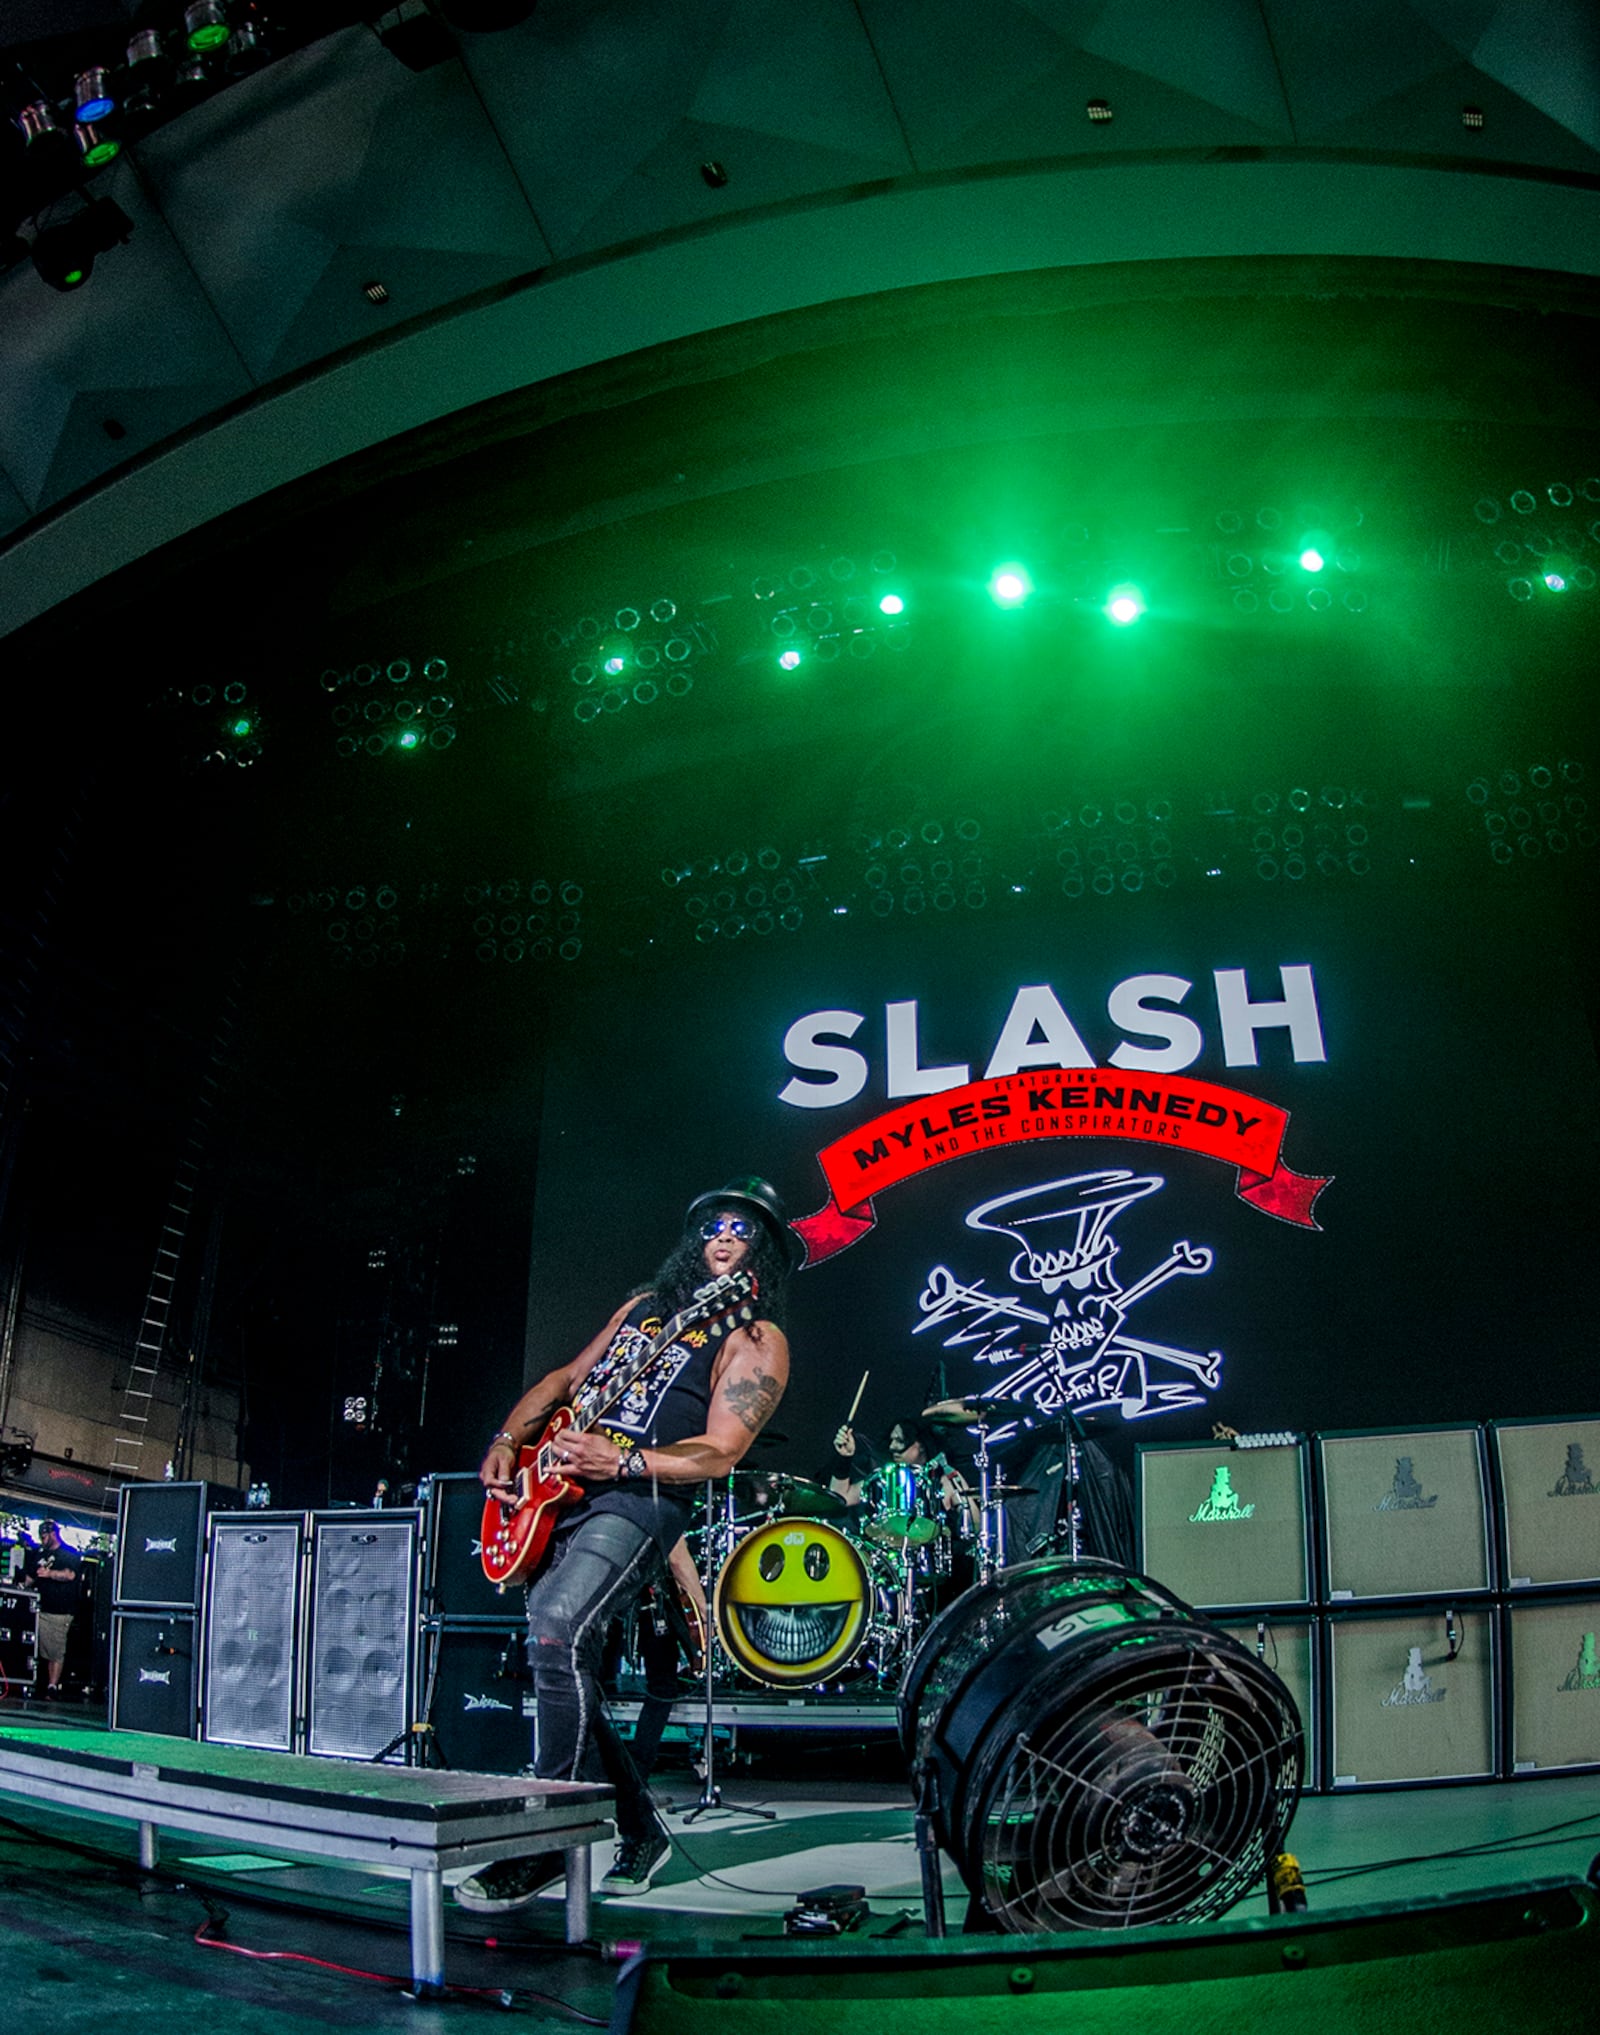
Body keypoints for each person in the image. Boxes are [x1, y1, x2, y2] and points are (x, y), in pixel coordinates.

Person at [458, 1175, 794, 1912]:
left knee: (555, 1633)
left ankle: (548, 1838)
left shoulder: (755, 1339)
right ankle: (642, 1829)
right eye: (713, 1224)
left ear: (762, 1248)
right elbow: (566, 1378)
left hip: (640, 1498)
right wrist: (510, 1439)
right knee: (561, 1659)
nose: (724, 1235)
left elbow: (720, 1452)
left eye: (742, 1227)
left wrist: (626, 1461)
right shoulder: (644, 1307)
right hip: (558, 1490)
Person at [28, 1520, 81, 1698]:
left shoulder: (69, 1554)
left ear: (52, 1534)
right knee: (38, 1647)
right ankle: (40, 1682)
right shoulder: (39, 1554)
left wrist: (49, 1573)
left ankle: (52, 1686)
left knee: (55, 1650)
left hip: (59, 1610)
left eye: (44, 1536)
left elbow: (70, 1575)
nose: (42, 1540)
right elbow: (30, 1577)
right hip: (39, 1607)